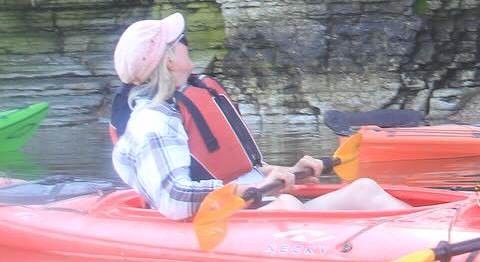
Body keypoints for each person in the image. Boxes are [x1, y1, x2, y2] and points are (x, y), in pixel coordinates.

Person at [110, 12, 408, 220]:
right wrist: (254, 189)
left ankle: (435, 234)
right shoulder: (152, 123)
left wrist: (283, 171)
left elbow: (225, 171)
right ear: (170, 60)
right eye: (181, 40)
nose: (188, 43)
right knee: (287, 206)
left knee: (364, 190)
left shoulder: (181, 107)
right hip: (216, 224)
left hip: (251, 207)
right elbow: (175, 197)